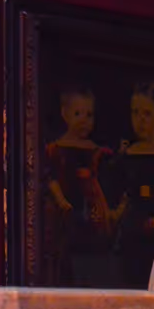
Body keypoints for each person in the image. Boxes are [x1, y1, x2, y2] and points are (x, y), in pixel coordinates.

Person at [109, 81, 154, 287]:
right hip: (131, 233)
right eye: (135, 113)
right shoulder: (127, 157)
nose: (140, 120)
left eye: (146, 114)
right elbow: (125, 195)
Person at [44, 85, 114, 285]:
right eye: (77, 114)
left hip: (90, 208)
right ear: (65, 114)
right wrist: (61, 201)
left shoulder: (96, 151)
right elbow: (51, 178)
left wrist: (102, 209)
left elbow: (99, 181)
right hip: (65, 209)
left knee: (91, 258)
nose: (84, 120)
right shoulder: (56, 149)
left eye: (89, 115)